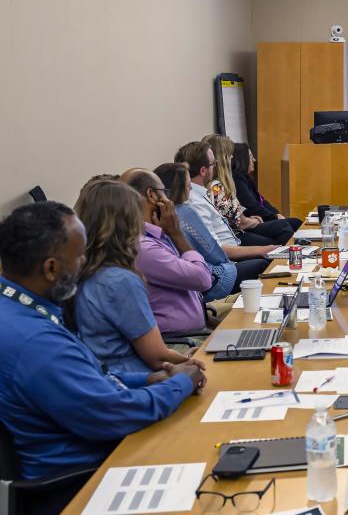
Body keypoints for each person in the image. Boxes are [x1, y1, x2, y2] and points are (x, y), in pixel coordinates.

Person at [0, 202, 204, 497]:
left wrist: (147, 380)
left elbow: (90, 377)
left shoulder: (17, 308)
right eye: (79, 255)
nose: (84, 261)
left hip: (96, 451)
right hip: (90, 480)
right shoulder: (37, 343)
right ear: (51, 268)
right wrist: (183, 383)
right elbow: (118, 414)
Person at [72, 180, 197, 374]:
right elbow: (157, 357)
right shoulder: (121, 280)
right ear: (127, 222)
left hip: (110, 376)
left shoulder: (86, 271)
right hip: (138, 378)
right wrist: (194, 358)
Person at [120, 168, 213, 335]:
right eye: (163, 191)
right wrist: (176, 233)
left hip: (195, 331)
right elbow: (203, 279)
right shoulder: (144, 248)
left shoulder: (154, 234)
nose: (168, 198)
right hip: (179, 342)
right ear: (151, 195)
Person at [174, 141, 274, 284]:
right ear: (203, 171)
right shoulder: (195, 202)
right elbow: (217, 250)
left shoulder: (201, 194)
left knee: (274, 250)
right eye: (213, 164)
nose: (215, 168)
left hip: (233, 247)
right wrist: (261, 250)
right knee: (267, 261)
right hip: (225, 264)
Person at [154, 162, 238, 299]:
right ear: (180, 188)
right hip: (211, 279)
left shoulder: (161, 215)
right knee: (262, 264)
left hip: (197, 279)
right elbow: (213, 252)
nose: (190, 188)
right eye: (188, 184)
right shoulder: (184, 212)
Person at [203, 134, 295, 245]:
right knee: (282, 230)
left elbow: (236, 215)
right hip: (236, 236)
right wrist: (253, 220)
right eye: (229, 154)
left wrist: (249, 218)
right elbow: (240, 223)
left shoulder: (220, 184)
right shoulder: (216, 188)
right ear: (222, 158)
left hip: (240, 230)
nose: (232, 157)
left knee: (283, 228)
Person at [231, 141, 302, 231]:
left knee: (294, 222)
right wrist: (274, 217)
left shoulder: (245, 178)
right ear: (242, 159)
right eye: (250, 157)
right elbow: (252, 206)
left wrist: (277, 214)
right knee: (291, 224)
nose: (254, 160)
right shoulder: (237, 179)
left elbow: (263, 202)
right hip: (254, 221)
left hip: (262, 218)